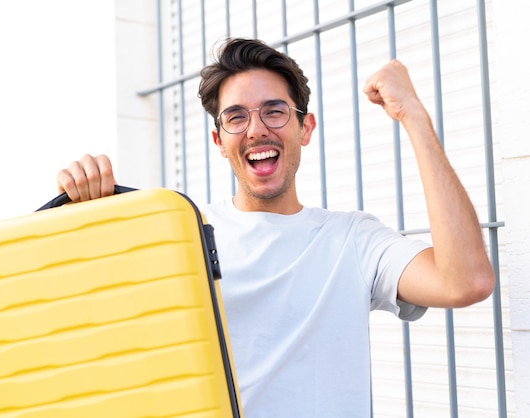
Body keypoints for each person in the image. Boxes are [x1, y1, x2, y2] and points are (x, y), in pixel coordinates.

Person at [56, 38, 495, 417]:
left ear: (306, 128)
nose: (256, 130)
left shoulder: (353, 240)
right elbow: (96, 334)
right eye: (236, 117)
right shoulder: (180, 236)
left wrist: (415, 117)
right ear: (219, 141)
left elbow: (466, 281)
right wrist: (86, 216)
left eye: (274, 111)